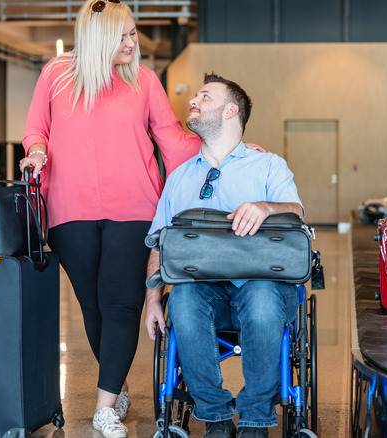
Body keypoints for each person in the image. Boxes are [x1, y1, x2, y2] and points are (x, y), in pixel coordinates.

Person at [19, 2, 259, 437]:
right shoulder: (56, 75)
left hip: (134, 209)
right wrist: (36, 152)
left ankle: (104, 406)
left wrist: (235, 146)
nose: (133, 43)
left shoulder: (144, 81)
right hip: (69, 209)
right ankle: (118, 381)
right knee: (92, 306)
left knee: (122, 304)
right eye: (124, 36)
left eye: (134, 34)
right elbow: (37, 128)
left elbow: (173, 140)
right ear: (98, 39)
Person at [144, 73, 303, 438]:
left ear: (232, 111)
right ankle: (215, 417)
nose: (194, 101)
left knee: (263, 299)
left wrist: (266, 207)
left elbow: (296, 211)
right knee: (181, 299)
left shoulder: (268, 166)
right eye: (196, 96)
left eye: (205, 96)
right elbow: (159, 241)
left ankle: (255, 419)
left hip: (260, 285)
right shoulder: (180, 177)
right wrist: (153, 300)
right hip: (204, 289)